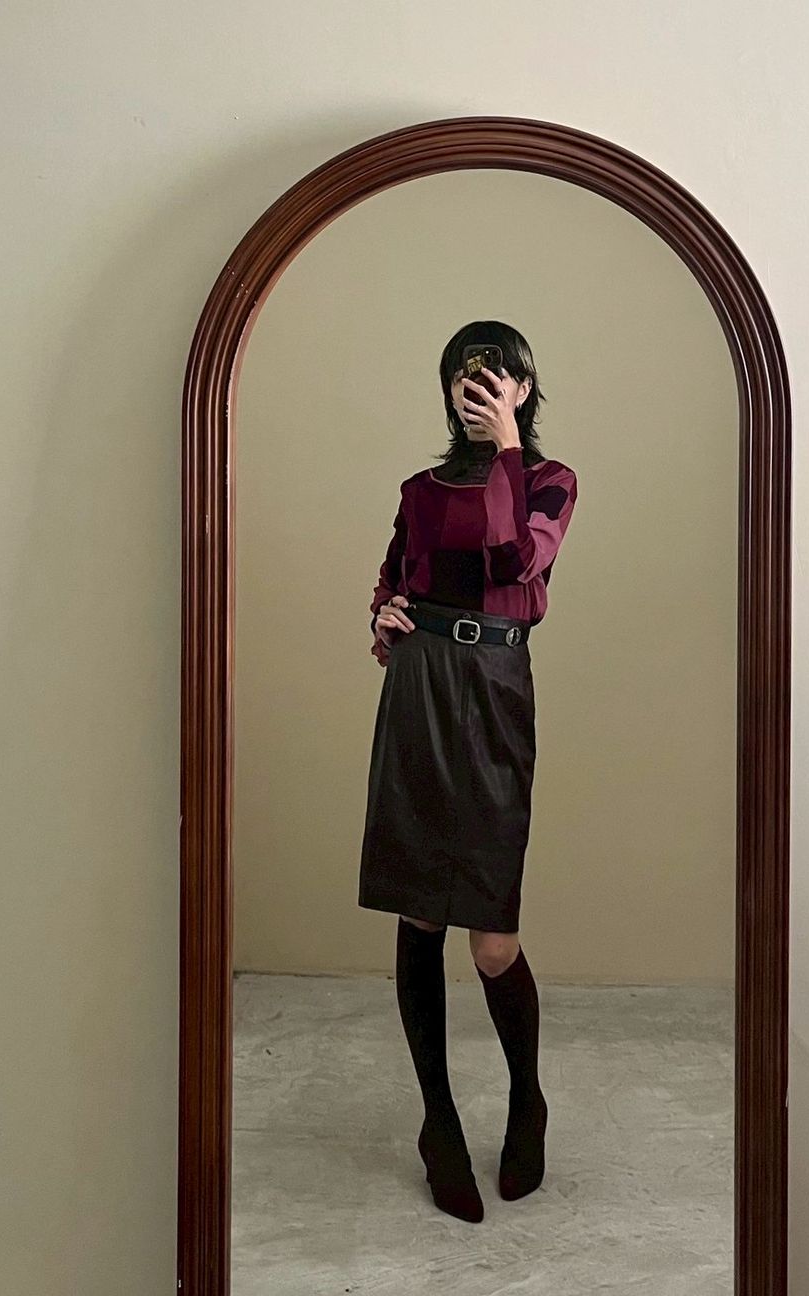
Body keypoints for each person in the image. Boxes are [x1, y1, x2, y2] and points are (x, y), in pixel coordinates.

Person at [358, 320, 578, 1222]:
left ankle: (527, 1099)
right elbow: (393, 578)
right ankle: (438, 1120)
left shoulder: (549, 481)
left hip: (493, 686)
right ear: (447, 387)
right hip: (419, 689)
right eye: (462, 373)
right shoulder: (418, 490)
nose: (476, 384)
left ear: (523, 386)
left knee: (491, 938)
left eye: (496, 372)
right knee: (419, 910)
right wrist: (385, 615)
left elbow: (518, 559)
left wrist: (507, 451)